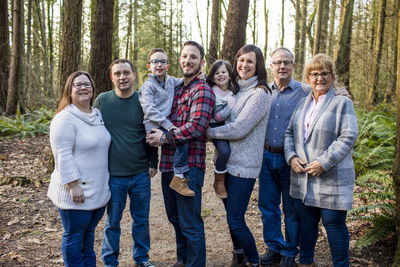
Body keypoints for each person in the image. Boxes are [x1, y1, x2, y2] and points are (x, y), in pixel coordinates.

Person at [284, 54, 358, 267]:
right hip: (303, 176)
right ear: (308, 78)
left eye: (325, 73)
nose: (320, 78)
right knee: (307, 224)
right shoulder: (301, 104)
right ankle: (306, 262)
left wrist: (324, 162)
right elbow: (289, 133)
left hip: (331, 177)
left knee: (333, 224)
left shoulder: (342, 102)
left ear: (333, 76)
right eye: (315, 74)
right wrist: (292, 157)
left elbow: (348, 136)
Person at [146, 40, 215, 267]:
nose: (188, 61)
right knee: (174, 218)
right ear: (179, 60)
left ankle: (195, 263)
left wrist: (164, 137)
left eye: (193, 57)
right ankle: (183, 259)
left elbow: (196, 127)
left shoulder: (202, 90)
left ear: (201, 62)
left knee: (190, 221)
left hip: (189, 168)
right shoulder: (175, 88)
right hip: (168, 164)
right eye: (185, 56)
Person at [207, 44, 271, 267]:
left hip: (244, 166)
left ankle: (254, 262)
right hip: (227, 165)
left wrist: (206, 132)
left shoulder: (260, 93)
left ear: (258, 65)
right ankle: (240, 257)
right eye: (241, 60)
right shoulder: (236, 90)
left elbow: (239, 128)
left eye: (250, 61)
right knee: (232, 217)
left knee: (235, 220)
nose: (244, 65)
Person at [94, 59, 158, 267]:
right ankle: (110, 261)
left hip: (140, 173)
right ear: (111, 77)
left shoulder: (143, 101)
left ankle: (142, 259)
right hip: (114, 175)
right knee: (112, 222)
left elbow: (152, 132)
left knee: (141, 220)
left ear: (134, 75)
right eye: (118, 74)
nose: (122, 77)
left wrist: (152, 162)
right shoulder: (103, 101)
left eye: (126, 73)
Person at [48, 71, 111, 267]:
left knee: (89, 234)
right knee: (74, 235)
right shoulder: (64, 118)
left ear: (93, 89)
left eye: (87, 84)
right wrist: (73, 185)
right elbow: (62, 154)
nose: (83, 88)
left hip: (97, 189)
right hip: (76, 192)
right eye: (78, 85)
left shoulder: (96, 114)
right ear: (70, 89)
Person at [258, 47, 309, 267]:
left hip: (292, 159)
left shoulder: (304, 91)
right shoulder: (262, 92)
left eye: (287, 62)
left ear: (293, 66)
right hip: (266, 157)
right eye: (278, 62)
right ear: (271, 65)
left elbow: (327, 93)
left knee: (291, 209)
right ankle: (274, 248)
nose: (282, 67)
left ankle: (290, 251)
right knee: (268, 207)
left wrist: (341, 91)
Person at [139, 48, 194, 196]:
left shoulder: (171, 81)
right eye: (155, 61)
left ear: (167, 66)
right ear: (149, 66)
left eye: (162, 61)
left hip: (165, 124)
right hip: (154, 125)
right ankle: (179, 175)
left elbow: (184, 80)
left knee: (178, 140)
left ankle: (177, 175)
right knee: (180, 139)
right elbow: (149, 110)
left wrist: (201, 76)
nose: (159, 65)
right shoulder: (148, 86)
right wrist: (168, 125)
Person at [206, 60, 238, 198]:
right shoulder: (213, 93)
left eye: (223, 72)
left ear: (230, 75)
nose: (220, 75)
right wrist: (230, 107)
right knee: (225, 151)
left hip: (227, 126)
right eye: (216, 73)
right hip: (215, 126)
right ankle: (219, 180)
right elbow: (217, 117)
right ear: (212, 77)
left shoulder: (232, 93)